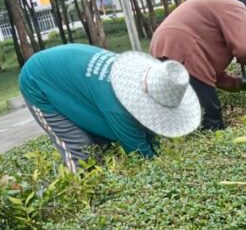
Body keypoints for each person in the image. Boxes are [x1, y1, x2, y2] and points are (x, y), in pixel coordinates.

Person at [19, 43, 201, 173]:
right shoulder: (119, 108)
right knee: (81, 150)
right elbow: (140, 155)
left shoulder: (148, 77)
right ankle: (84, 203)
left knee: (100, 142)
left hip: (71, 69)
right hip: (39, 79)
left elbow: (148, 133)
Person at [150, 0, 246, 131]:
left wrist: (237, 83)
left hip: (161, 49)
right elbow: (244, 50)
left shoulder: (213, 16)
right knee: (211, 117)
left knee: (185, 117)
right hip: (182, 50)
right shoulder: (238, 7)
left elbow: (209, 75)